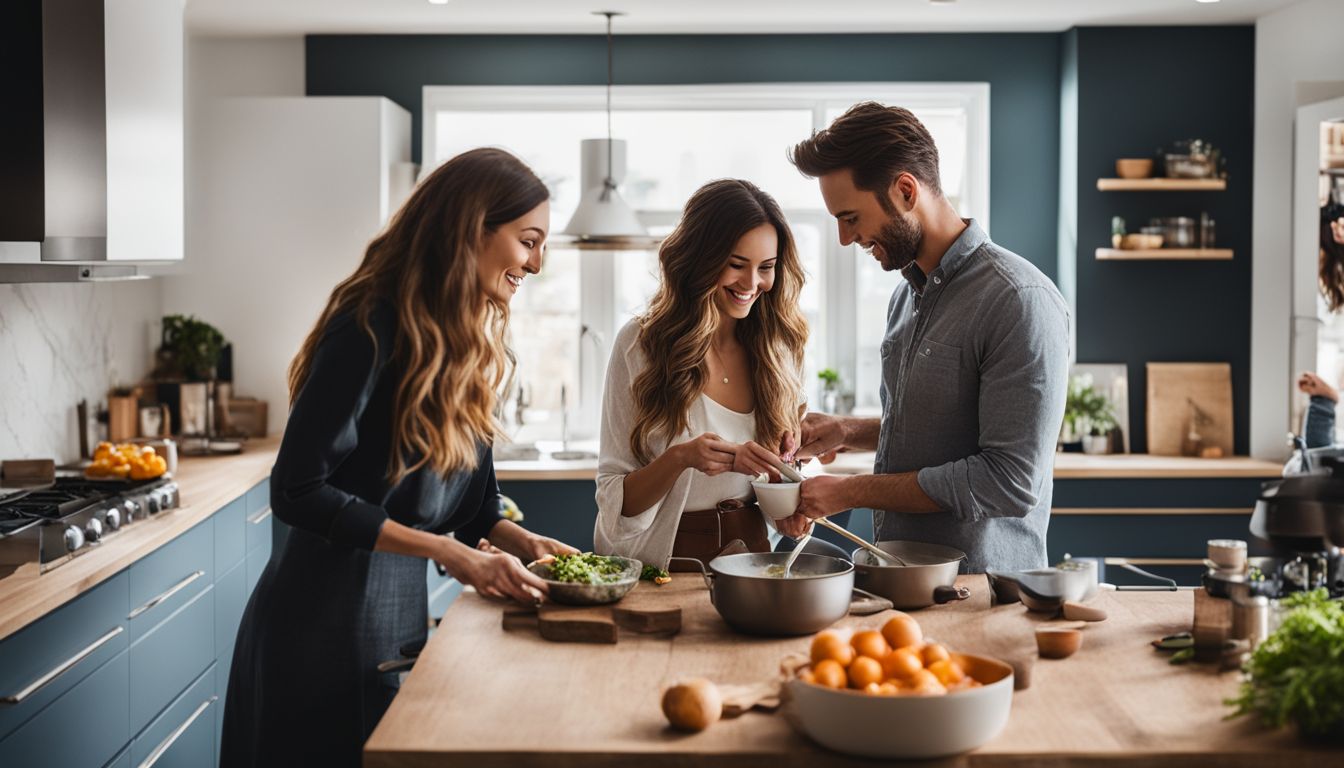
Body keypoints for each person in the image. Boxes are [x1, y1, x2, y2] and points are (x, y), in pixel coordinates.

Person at [221, 148, 578, 767]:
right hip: (314, 632)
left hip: (392, 626)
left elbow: (472, 508)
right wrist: (447, 553)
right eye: (528, 240)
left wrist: (526, 542)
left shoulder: (466, 345)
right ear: (472, 227)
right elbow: (298, 489)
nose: (536, 263)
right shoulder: (368, 325)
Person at [778, 102, 1070, 573]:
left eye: (851, 217)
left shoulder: (1018, 300)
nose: (844, 238)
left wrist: (848, 491)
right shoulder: (904, 298)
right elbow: (947, 433)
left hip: (979, 593)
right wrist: (847, 432)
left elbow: (1008, 480)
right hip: (900, 580)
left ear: (906, 191)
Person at [593, 179, 817, 568]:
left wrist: (789, 509)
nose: (751, 284)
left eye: (766, 268)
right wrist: (681, 458)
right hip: (664, 565)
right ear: (699, 257)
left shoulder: (782, 349)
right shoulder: (640, 345)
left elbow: (776, 484)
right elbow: (616, 500)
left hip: (753, 557)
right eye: (735, 264)